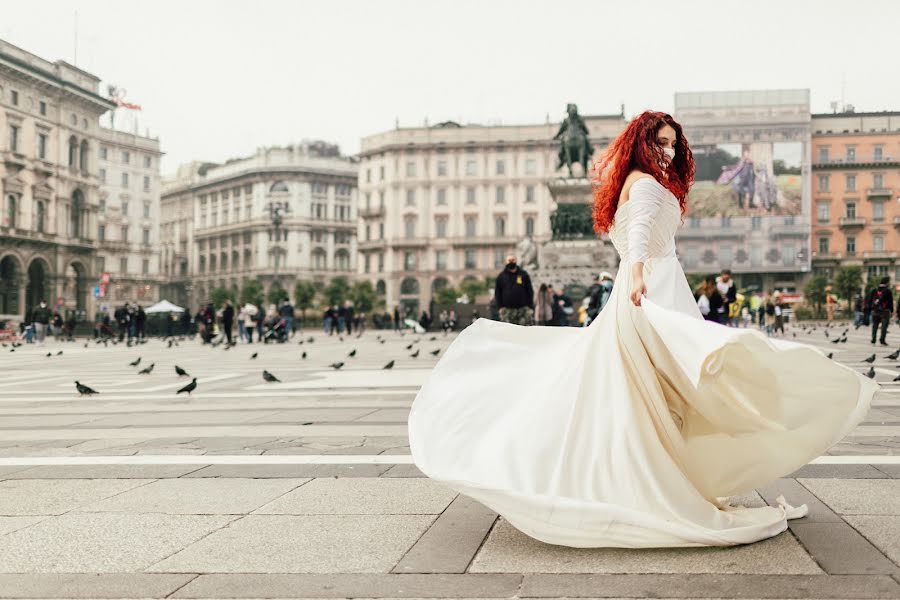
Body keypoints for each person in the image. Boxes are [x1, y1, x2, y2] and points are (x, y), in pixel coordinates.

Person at [408, 110, 874, 549]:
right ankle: (676, 474)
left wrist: (635, 274)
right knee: (690, 381)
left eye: (673, 144)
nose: (669, 151)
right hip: (653, 290)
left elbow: (635, 230)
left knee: (649, 393)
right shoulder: (647, 185)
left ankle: (660, 474)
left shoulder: (628, 183)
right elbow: (639, 234)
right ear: (642, 143)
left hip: (648, 291)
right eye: (661, 142)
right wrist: (635, 274)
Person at [494, 254, 535, 326]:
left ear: (516, 261)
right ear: (506, 262)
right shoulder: (501, 276)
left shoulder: (523, 274)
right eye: (509, 260)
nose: (511, 262)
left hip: (523, 309)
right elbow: (498, 293)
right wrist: (500, 307)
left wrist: (530, 307)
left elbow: (529, 291)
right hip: (507, 310)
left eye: (513, 260)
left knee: (524, 331)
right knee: (508, 332)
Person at [868, 277, 894, 346]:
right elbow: (890, 301)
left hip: (875, 311)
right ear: (887, 282)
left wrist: (872, 308)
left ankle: (873, 339)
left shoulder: (874, 290)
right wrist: (891, 311)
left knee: (875, 326)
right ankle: (882, 340)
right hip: (885, 311)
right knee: (884, 327)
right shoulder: (888, 291)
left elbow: (870, 300)